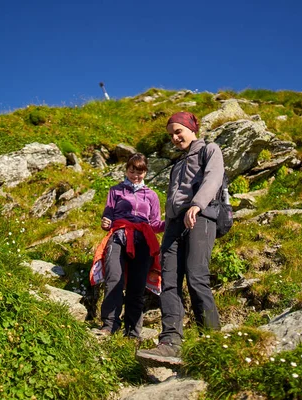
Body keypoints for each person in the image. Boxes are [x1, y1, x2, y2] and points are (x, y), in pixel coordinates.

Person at [136, 111, 223, 365]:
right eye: (171, 134)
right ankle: (170, 342)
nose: (175, 137)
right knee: (169, 282)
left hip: (201, 216)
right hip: (175, 225)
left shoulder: (210, 149)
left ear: (191, 129)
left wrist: (196, 205)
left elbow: (213, 179)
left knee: (196, 276)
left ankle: (211, 341)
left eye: (178, 131)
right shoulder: (177, 164)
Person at [90, 153, 165, 339]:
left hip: (144, 239)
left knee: (137, 286)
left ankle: (133, 332)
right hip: (119, 235)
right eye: (132, 171)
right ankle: (109, 325)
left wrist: (170, 223)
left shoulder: (152, 196)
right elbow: (107, 216)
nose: (135, 176)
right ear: (126, 170)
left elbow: (155, 223)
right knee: (113, 278)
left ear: (145, 172)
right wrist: (105, 222)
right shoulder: (115, 191)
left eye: (139, 172)